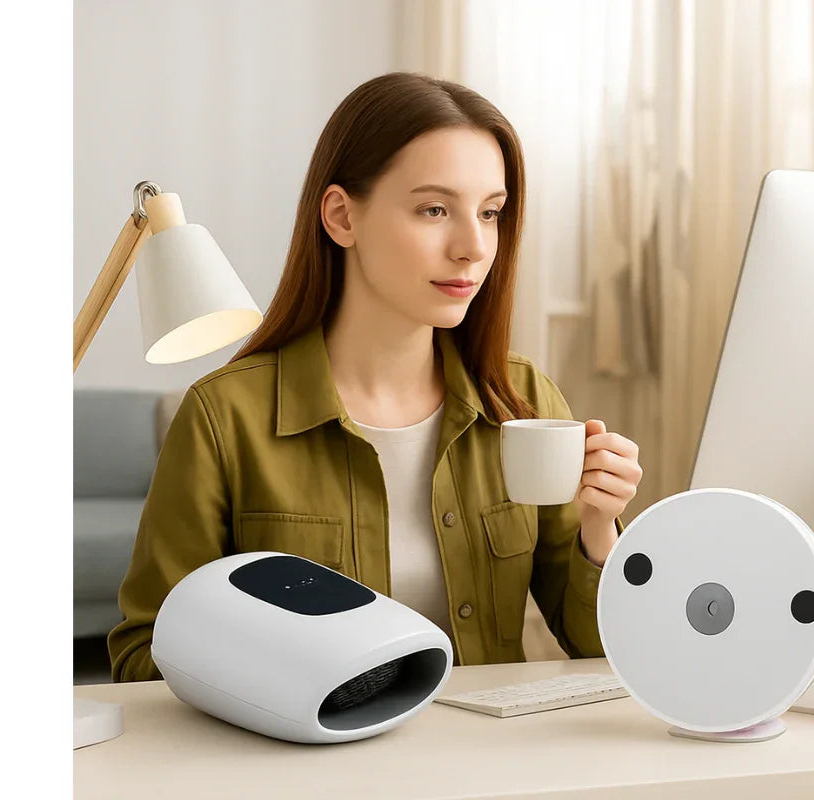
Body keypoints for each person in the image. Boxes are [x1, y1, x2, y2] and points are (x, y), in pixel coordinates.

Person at [108, 72, 644, 682]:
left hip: (493, 765)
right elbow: (145, 653)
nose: (474, 246)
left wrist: (601, 529)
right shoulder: (225, 419)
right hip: (307, 766)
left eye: (491, 213)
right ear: (341, 217)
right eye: (434, 209)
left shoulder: (520, 402)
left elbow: (596, 648)